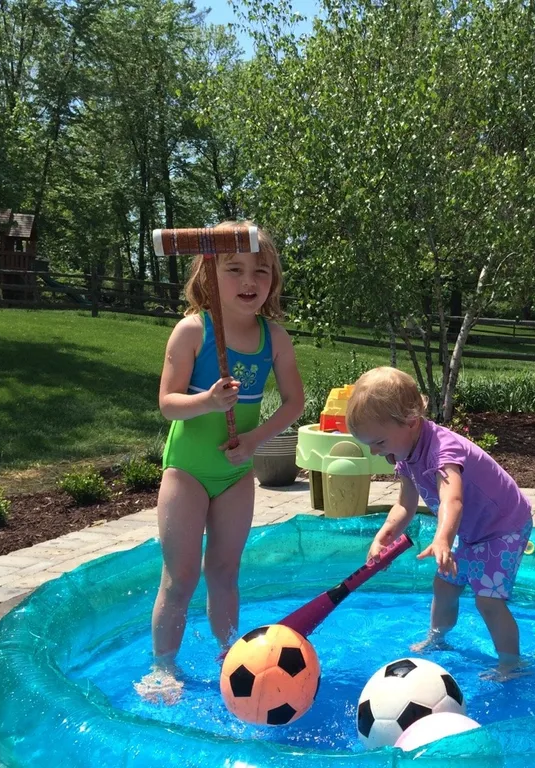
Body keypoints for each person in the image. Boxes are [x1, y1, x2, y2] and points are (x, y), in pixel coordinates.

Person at [136, 222, 304, 705]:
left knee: (225, 571)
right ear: (209, 275)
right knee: (181, 574)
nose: (249, 280)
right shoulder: (194, 330)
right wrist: (208, 402)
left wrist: (253, 439)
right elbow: (168, 403)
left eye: (261, 271)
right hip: (186, 470)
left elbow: (294, 402)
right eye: (234, 270)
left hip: (235, 474)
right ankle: (163, 666)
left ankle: (231, 657)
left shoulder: (274, 338)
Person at [346, 367, 533, 681]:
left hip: (503, 527)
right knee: (444, 585)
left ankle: (512, 663)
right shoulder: (404, 453)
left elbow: (452, 500)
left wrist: (443, 538)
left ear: (409, 421)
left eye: (378, 441)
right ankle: (438, 638)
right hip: (466, 529)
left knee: (488, 599)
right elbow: (405, 504)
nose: (375, 452)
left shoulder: (443, 451)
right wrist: (385, 536)